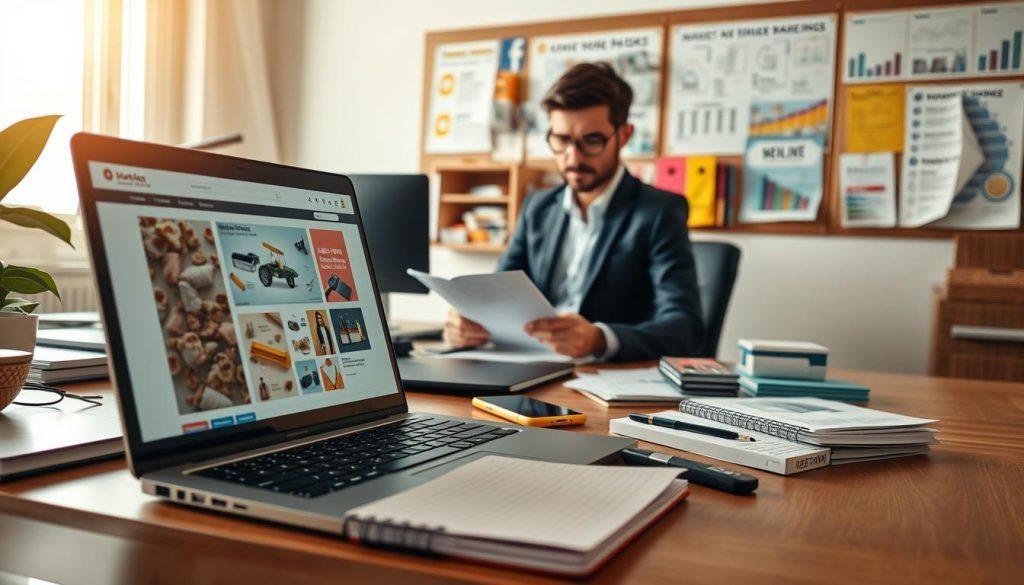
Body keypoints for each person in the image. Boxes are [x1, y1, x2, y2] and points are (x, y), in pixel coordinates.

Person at [445, 62, 704, 362]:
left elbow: (686, 329)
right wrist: (469, 323)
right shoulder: (538, 208)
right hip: (532, 368)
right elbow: (495, 297)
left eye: (592, 141)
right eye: (562, 140)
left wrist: (600, 339)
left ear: (624, 135)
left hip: (606, 379)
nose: (573, 157)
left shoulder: (659, 212)